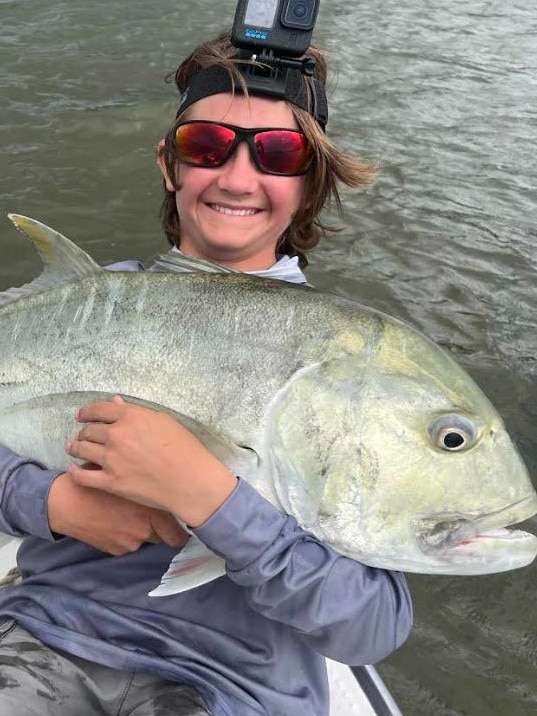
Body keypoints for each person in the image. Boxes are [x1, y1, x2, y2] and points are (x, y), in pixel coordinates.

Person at [0, 30, 412, 716]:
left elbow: (368, 625)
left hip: (234, 688)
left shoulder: (348, 364)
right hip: (44, 640)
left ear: (310, 180)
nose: (236, 177)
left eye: (279, 154)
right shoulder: (68, 312)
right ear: (170, 164)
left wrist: (210, 498)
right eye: (205, 147)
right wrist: (54, 506)